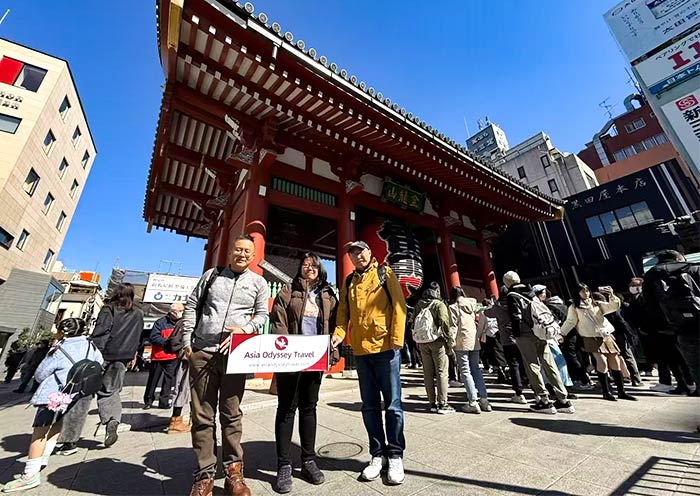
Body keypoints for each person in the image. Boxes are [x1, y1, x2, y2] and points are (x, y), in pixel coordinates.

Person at [182, 235, 270, 496]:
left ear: (253, 256)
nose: (242, 254)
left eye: (247, 252)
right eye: (238, 249)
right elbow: (192, 305)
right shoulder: (212, 276)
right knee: (201, 416)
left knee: (231, 414)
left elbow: (262, 314)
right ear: (231, 251)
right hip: (203, 352)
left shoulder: (258, 282)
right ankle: (204, 475)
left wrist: (244, 328)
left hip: (235, 355)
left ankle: (234, 473)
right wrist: (187, 340)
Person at [330, 240, 407, 485]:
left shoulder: (385, 273)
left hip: (386, 347)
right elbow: (343, 312)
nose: (357, 255)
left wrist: (396, 339)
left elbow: (399, 305)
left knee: (393, 405)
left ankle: (395, 454)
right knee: (369, 406)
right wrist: (339, 335)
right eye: (352, 253)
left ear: (370, 252)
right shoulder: (349, 281)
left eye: (360, 251)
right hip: (362, 349)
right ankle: (377, 454)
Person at [1, 318, 103, 492]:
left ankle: (30, 475)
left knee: (40, 431)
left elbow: (41, 373)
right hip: (73, 392)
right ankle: (44, 457)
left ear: (63, 331)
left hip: (53, 393)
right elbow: (98, 363)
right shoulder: (90, 346)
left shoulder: (60, 349)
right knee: (57, 423)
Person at [269, 252, 338, 493]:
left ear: (320, 269)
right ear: (299, 268)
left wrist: (334, 346)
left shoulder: (328, 293)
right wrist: (287, 351)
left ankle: (308, 459)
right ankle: (284, 464)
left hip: (316, 358)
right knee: (287, 408)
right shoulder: (288, 290)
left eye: (314, 265)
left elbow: (335, 323)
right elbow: (278, 321)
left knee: (309, 407)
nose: (309, 268)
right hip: (291, 357)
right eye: (305, 265)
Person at [503, 271, 574, 414]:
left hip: (526, 335)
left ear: (506, 283)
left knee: (532, 366)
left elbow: (516, 316)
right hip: (541, 333)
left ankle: (544, 400)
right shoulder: (531, 293)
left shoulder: (512, 296)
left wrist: (516, 335)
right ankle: (563, 399)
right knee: (549, 364)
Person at [560, 284, 636, 402]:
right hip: (591, 337)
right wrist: (561, 333)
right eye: (582, 291)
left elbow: (613, 306)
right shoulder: (574, 307)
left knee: (615, 361)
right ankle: (606, 392)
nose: (585, 293)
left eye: (587, 291)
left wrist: (611, 295)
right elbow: (570, 322)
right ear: (577, 293)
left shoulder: (596, 303)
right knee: (602, 361)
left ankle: (621, 391)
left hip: (606, 335)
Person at [91, 283, 144, 447]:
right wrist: (133, 353)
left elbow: (101, 331)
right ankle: (113, 419)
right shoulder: (138, 313)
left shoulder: (110, 308)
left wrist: (94, 352)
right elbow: (138, 336)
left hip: (105, 352)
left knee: (97, 389)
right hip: (124, 355)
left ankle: (108, 419)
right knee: (113, 388)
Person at [643, 250, 699, 396]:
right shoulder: (694, 268)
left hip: (677, 327)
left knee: (694, 363)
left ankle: (693, 386)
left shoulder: (651, 276)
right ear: (678, 258)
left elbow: (651, 307)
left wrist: (662, 327)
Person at [413, 282, 454, 414]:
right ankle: (443, 403)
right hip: (438, 340)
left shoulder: (419, 304)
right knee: (441, 372)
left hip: (423, 341)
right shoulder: (438, 304)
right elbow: (444, 321)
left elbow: (413, 321)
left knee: (428, 373)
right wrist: (449, 340)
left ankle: (432, 402)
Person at [450, 287, 491, 414]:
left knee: (465, 371)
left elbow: (453, 326)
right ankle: (484, 399)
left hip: (461, 340)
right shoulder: (472, 305)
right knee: (476, 369)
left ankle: (473, 401)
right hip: (473, 340)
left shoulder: (453, 307)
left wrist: (450, 343)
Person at [486, 288, 528, 404]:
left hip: (507, 340)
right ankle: (535, 390)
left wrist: (492, 305)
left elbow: (487, 313)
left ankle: (519, 392)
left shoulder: (499, 307)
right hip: (522, 338)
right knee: (526, 363)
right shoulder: (520, 302)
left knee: (513, 365)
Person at [143, 302, 184, 409]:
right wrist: (167, 342)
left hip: (172, 357)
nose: (180, 313)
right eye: (179, 311)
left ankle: (164, 402)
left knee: (168, 380)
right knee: (153, 379)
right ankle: (148, 400)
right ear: (172, 312)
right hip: (158, 356)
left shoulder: (181, 324)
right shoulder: (160, 322)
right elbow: (154, 337)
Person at [605, 294, 643, 387]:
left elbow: (621, 321)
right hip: (620, 334)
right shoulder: (621, 307)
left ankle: (625, 378)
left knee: (620, 356)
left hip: (615, 334)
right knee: (627, 356)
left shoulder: (610, 308)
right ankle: (635, 379)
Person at [167, 318, 192, 435]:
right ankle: (176, 422)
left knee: (181, 387)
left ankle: (176, 420)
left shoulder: (181, 321)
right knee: (187, 388)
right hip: (190, 356)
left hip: (182, 356)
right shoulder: (193, 320)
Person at [479, 298, 509, 384]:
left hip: (490, 335)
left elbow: (481, 326)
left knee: (495, 355)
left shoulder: (484, 312)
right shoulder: (498, 310)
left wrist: (478, 336)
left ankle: (501, 373)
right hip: (501, 333)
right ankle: (504, 372)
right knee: (501, 354)